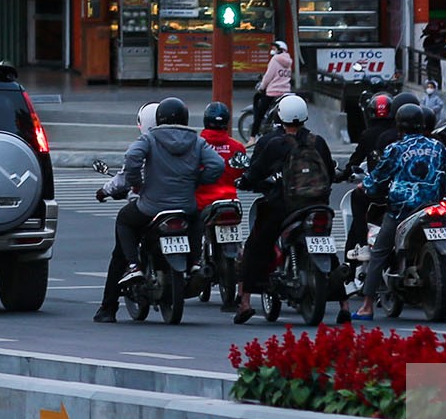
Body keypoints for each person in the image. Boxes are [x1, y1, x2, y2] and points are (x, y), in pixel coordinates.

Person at [95, 95, 208, 321]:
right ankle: (195, 262)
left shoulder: (148, 142)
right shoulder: (192, 142)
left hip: (151, 208)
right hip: (184, 207)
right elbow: (214, 165)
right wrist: (196, 181)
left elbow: (127, 172)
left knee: (123, 228)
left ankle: (118, 293)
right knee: (198, 218)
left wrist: (116, 188)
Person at [229, 94, 336, 321]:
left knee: (255, 245)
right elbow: (330, 173)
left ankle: (245, 301)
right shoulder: (318, 141)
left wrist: (245, 181)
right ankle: (344, 305)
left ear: (279, 116)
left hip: (282, 207)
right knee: (328, 248)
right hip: (317, 205)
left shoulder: (271, 142)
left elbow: (254, 173)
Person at [355, 101, 446, 308]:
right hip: (432, 205)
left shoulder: (396, 149)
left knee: (380, 251)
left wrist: (365, 187)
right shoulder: (439, 147)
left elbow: (378, 179)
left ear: (399, 125)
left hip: (402, 208)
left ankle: (366, 305)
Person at [252, 42, 296, 136]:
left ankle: (252, 136)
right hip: (286, 92)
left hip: (273, 92)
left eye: (275, 48)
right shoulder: (289, 61)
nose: (273, 50)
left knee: (259, 112)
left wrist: (262, 87)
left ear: (280, 50)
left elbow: (268, 76)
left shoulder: (275, 60)